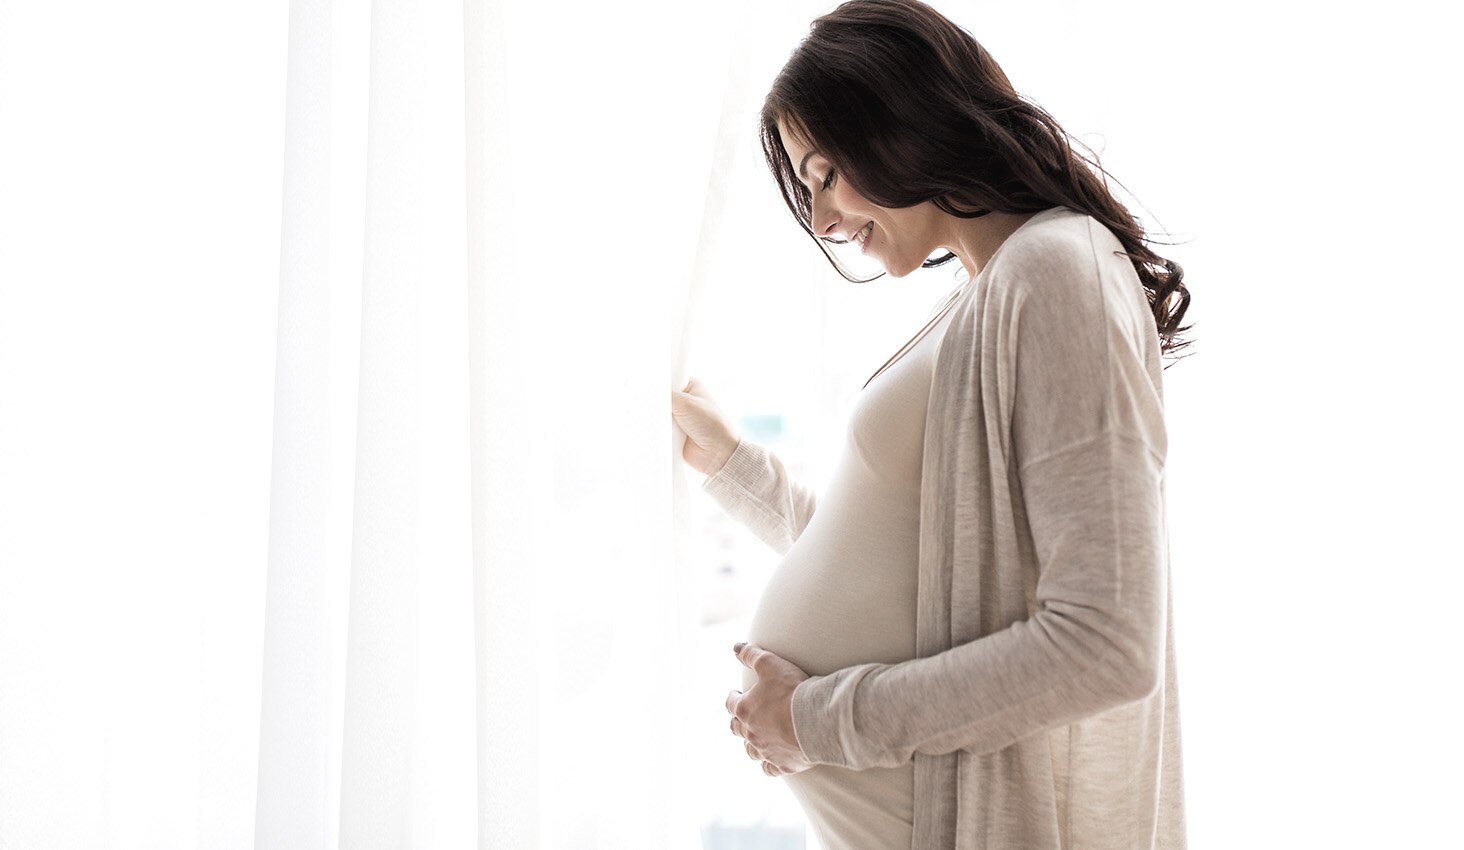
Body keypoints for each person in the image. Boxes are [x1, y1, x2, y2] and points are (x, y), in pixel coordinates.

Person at [670, 0, 1192, 847]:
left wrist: (815, 721)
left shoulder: (1058, 273)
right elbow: (915, 567)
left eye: (823, 174)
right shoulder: (994, 292)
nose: (824, 223)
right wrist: (731, 465)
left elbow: (1106, 643)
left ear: (897, 117)